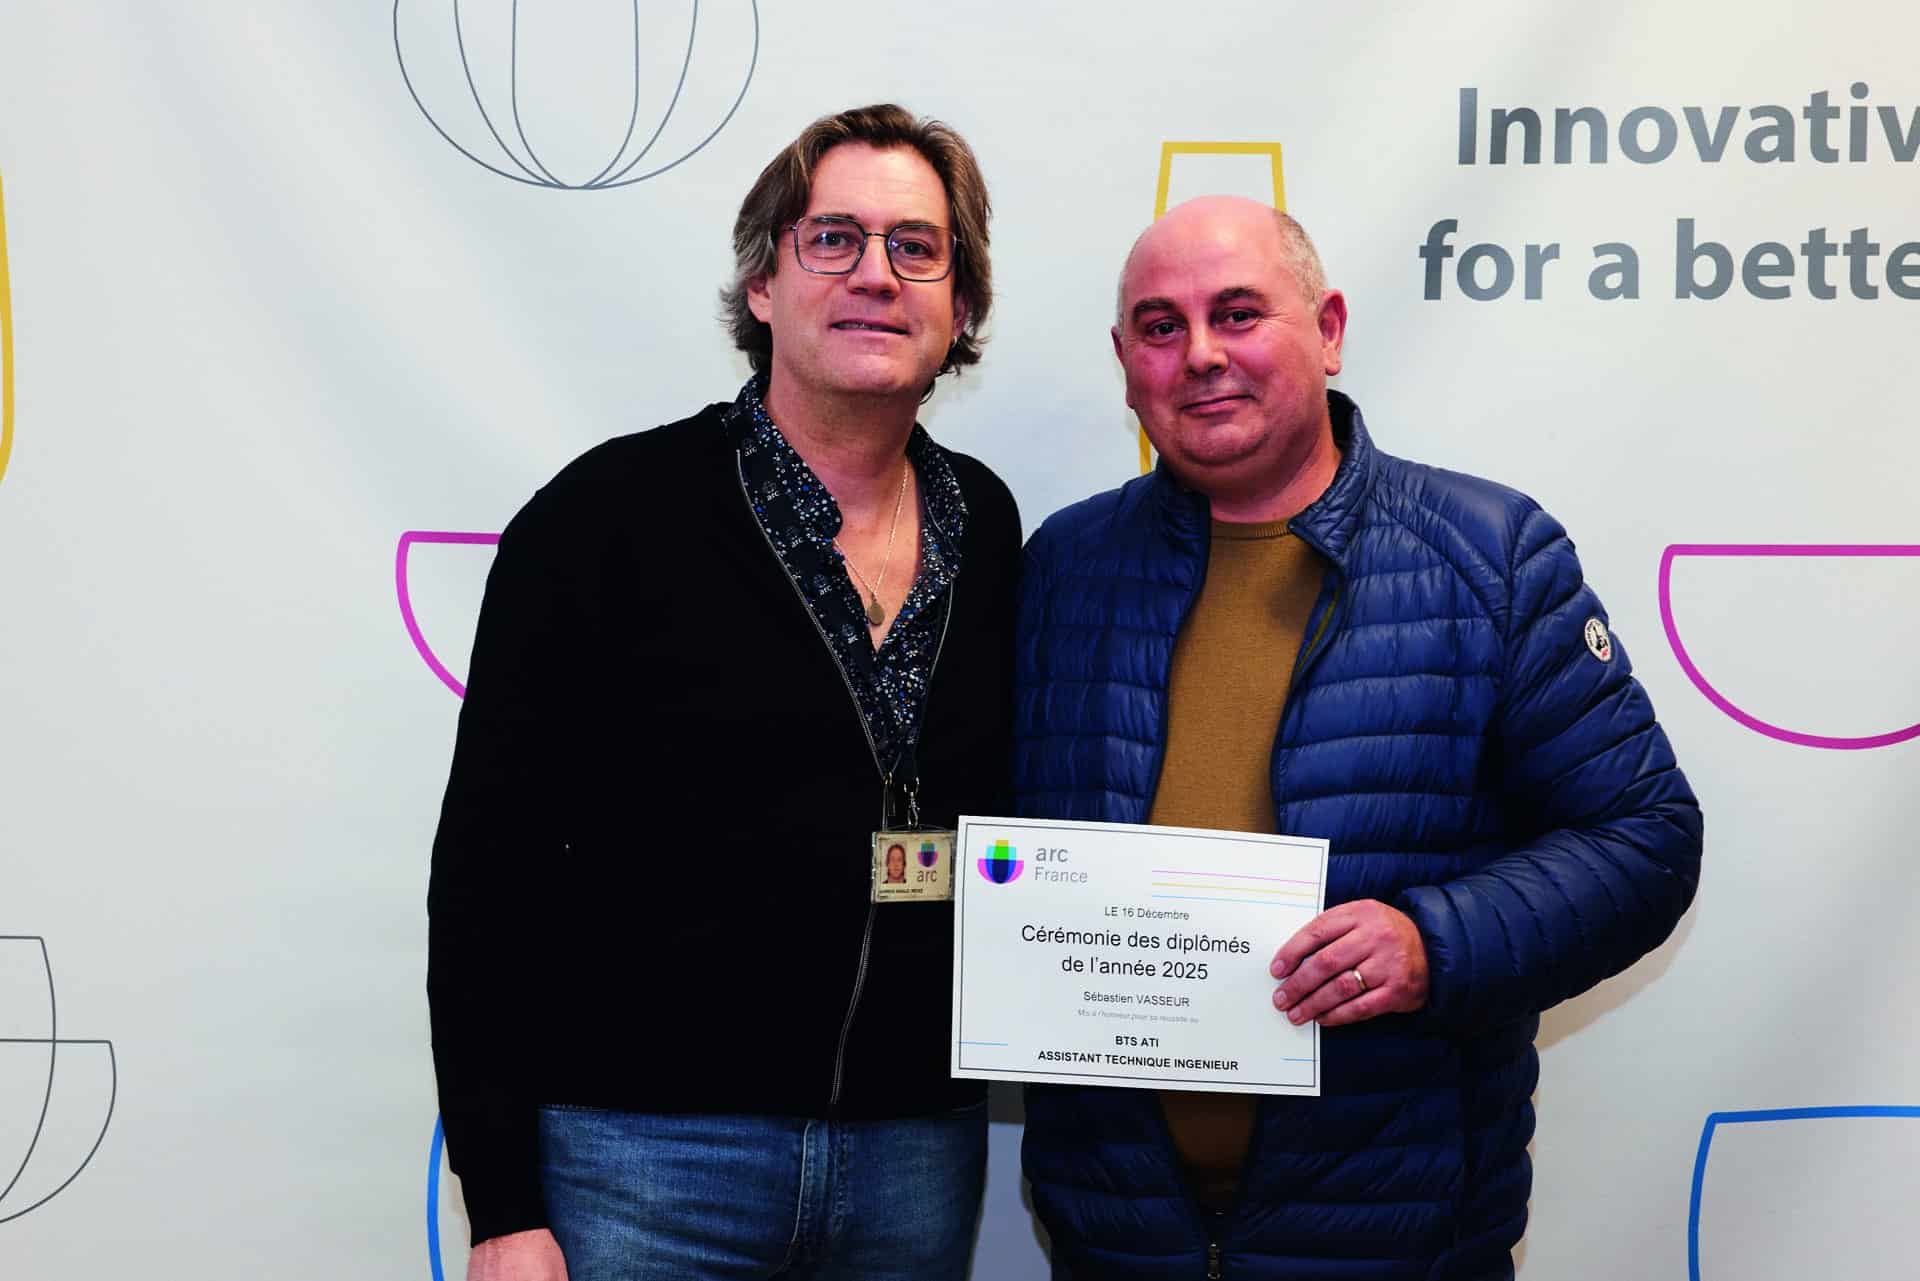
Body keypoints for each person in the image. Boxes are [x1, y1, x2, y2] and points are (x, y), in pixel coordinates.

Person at [1012, 196, 1702, 1280]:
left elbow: (1646, 836)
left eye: (1239, 313)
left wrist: (1435, 942)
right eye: (1160, 326)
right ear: (1125, 363)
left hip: (1399, 1241)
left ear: (1328, 329)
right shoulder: (1063, 565)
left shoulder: (1490, 556)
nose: (1201, 355)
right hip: (1118, 1239)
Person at [428, 104, 1021, 1281]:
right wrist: (501, 1204)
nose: (875, 274)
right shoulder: (604, 518)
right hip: (645, 1163)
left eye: (916, 247)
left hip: (915, 1160)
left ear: (960, 306)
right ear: (762, 284)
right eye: (832, 238)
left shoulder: (991, 526)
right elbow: (487, 872)